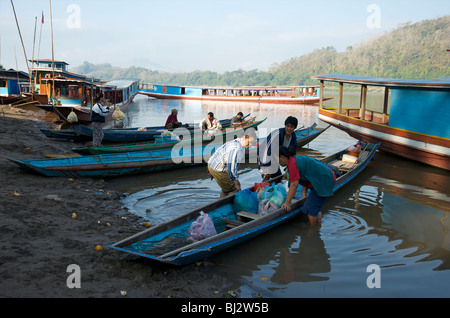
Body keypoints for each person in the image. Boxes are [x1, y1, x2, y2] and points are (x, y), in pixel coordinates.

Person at [278, 146, 336, 226]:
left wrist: (287, 203)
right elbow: (305, 175)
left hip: (324, 180)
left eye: (278, 160)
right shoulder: (294, 159)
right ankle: (318, 226)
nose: (278, 163)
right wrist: (304, 194)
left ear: (282, 157)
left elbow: (294, 185)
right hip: (327, 177)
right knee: (316, 207)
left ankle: (312, 232)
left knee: (310, 209)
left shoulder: (292, 164)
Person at [207, 129, 257, 198]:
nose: (250, 145)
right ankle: (229, 207)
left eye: (252, 143)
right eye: (249, 142)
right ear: (245, 137)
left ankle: (220, 204)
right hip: (217, 167)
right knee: (233, 190)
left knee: (226, 189)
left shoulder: (238, 142)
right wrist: (236, 182)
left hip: (213, 164)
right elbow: (231, 167)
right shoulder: (236, 148)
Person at [258, 116, 298, 181]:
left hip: (276, 157)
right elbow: (266, 150)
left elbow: (293, 154)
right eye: (287, 126)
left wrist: (289, 166)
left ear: (295, 128)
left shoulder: (293, 139)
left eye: (291, 127)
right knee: (268, 174)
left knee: (278, 179)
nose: (289, 128)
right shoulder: (277, 134)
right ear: (285, 125)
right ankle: (261, 188)